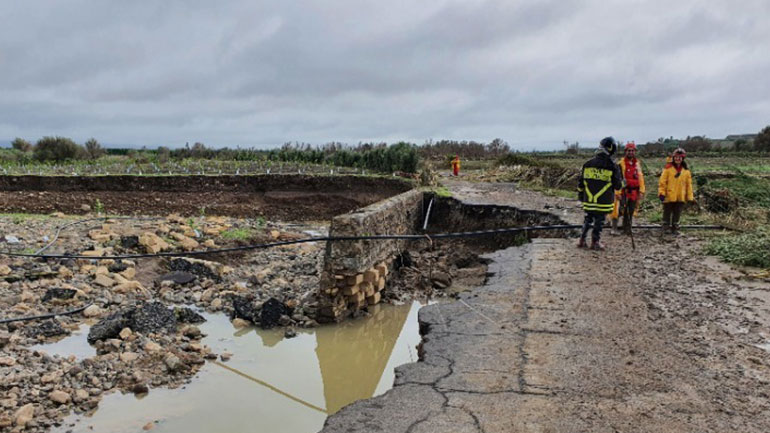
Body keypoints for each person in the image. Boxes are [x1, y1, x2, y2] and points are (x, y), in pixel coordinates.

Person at [577, 137, 623, 250]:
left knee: (588, 219)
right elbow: (617, 185)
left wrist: (581, 197)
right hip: (603, 201)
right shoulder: (612, 166)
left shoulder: (587, 164)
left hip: (588, 200)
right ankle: (595, 242)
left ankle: (582, 240)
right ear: (611, 148)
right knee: (599, 221)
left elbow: (581, 183)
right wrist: (622, 181)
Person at [610, 142, 645, 235]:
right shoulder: (620, 164)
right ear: (625, 151)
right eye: (629, 151)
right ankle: (614, 228)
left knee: (630, 210)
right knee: (617, 210)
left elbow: (640, 177)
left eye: (633, 151)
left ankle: (627, 229)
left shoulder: (637, 164)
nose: (631, 152)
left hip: (634, 191)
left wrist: (641, 190)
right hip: (623, 191)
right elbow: (617, 179)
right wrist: (617, 193)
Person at [658, 147, 694, 236]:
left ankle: (675, 228)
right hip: (669, 195)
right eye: (676, 157)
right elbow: (662, 182)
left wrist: (690, 196)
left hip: (680, 196)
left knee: (677, 212)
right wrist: (661, 193)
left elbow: (688, 185)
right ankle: (665, 227)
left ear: (683, 158)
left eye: (680, 157)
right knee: (667, 212)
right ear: (673, 158)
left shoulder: (686, 171)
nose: (678, 159)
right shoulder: (667, 169)